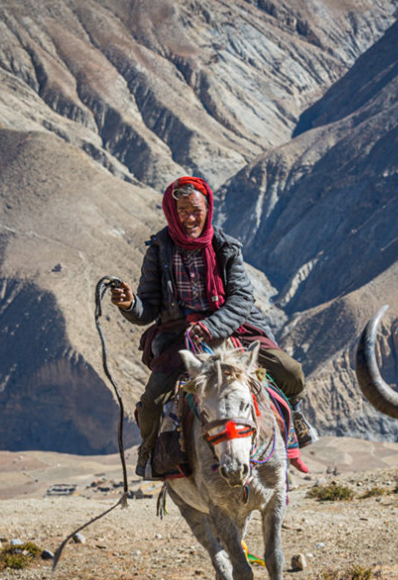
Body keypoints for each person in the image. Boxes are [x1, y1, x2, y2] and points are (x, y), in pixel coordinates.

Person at [111, 176, 316, 479]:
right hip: (178, 337)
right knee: (152, 403)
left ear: (208, 209)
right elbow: (149, 309)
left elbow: (242, 299)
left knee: (291, 372)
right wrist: (130, 304)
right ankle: (150, 452)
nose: (190, 218)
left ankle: (294, 418)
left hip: (233, 329)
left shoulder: (225, 246)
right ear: (171, 211)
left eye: (196, 210)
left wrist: (211, 326)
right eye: (183, 211)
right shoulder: (158, 250)